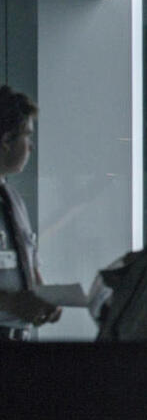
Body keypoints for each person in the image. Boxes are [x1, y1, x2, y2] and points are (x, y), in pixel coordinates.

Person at [0, 85, 61, 340]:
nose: (31, 147)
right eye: (27, 136)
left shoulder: (14, 202)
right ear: (6, 140)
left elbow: (29, 265)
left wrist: (44, 299)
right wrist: (10, 302)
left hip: (18, 341)